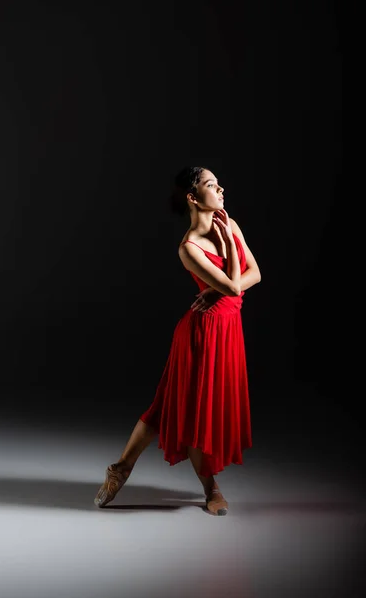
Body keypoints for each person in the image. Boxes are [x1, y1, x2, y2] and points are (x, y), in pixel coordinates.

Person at [94, 166, 261, 516]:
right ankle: (210, 488)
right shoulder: (189, 247)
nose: (221, 189)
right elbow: (234, 285)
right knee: (194, 412)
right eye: (212, 185)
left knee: (169, 408)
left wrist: (218, 289)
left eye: (218, 183)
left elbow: (255, 274)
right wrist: (228, 255)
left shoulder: (229, 223)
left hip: (227, 330)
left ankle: (120, 468)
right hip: (202, 334)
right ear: (193, 196)